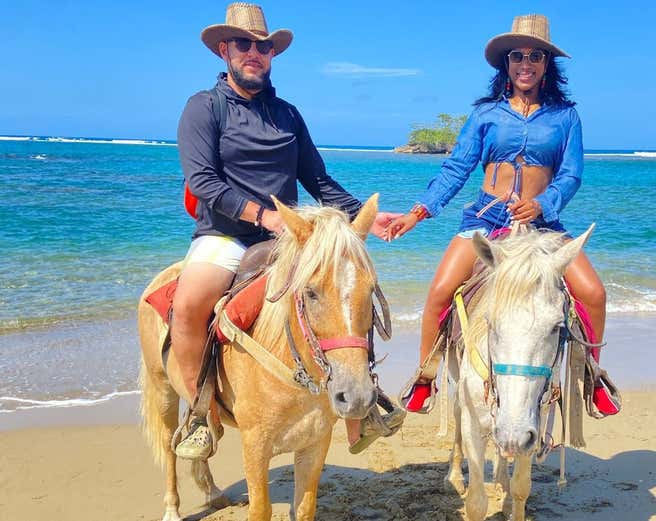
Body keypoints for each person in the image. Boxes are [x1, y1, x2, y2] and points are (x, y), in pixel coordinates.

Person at [173, 2, 400, 460]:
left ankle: (363, 406)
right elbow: (204, 182)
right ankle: (201, 413)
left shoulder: (288, 114)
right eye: (244, 44)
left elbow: (316, 179)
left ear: (272, 54)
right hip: (226, 234)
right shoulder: (204, 108)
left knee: (349, 292)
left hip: (289, 236)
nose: (255, 52)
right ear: (224, 51)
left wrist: (367, 218)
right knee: (189, 304)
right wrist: (264, 216)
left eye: (264, 46)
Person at [388, 14, 617, 416]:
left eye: (535, 56)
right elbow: (456, 168)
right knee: (440, 291)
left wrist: (545, 204)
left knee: (594, 293)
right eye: (517, 56)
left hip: (543, 225)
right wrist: (418, 213)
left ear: (547, 64)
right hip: (485, 220)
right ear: (505, 64)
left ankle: (591, 377)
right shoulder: (484, 114)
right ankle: (426, 377)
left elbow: (571, 173)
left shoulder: (566, 117)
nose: (525, 63)